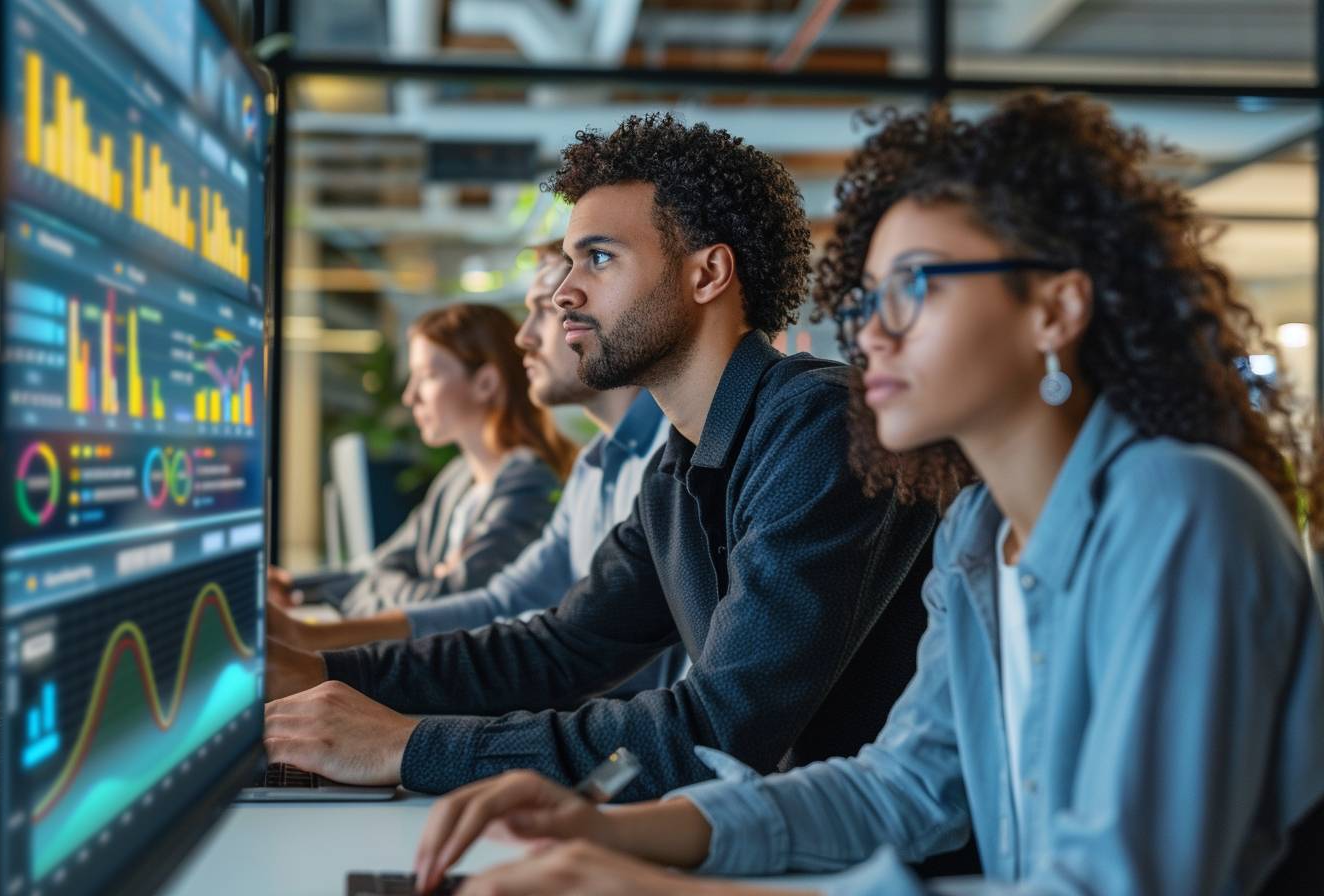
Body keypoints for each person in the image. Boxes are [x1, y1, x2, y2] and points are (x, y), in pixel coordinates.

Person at [405, 94, 1324, 895]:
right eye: (870, 293)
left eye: (917, 286)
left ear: (1055, 310)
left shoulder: (1182, 512)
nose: (872, 332)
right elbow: (905, 786)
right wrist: (612, 829)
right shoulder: (980, 532)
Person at [262, 114, 939, 805]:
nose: (564, 292)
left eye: (600, 258)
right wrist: (319, 669)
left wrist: (406, 746)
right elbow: (558, 650)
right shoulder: (677, 473)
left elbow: (716, 732)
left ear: (708, 273)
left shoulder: (819, 430)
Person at [267, 244, 686, 696]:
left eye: (546, 311)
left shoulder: (670, 463)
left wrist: (334, 666)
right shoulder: (591, 467)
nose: (523, 338)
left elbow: (587, 653)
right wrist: (315, 646)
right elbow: (506, 602)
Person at [271, 303, 578, 618]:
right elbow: (381, 567)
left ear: (485, 383)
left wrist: (414, 585)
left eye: (427, 376)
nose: (410, 396)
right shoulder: (458, 477)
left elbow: (452, 605)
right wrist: (294, 587)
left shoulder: (530, 482)